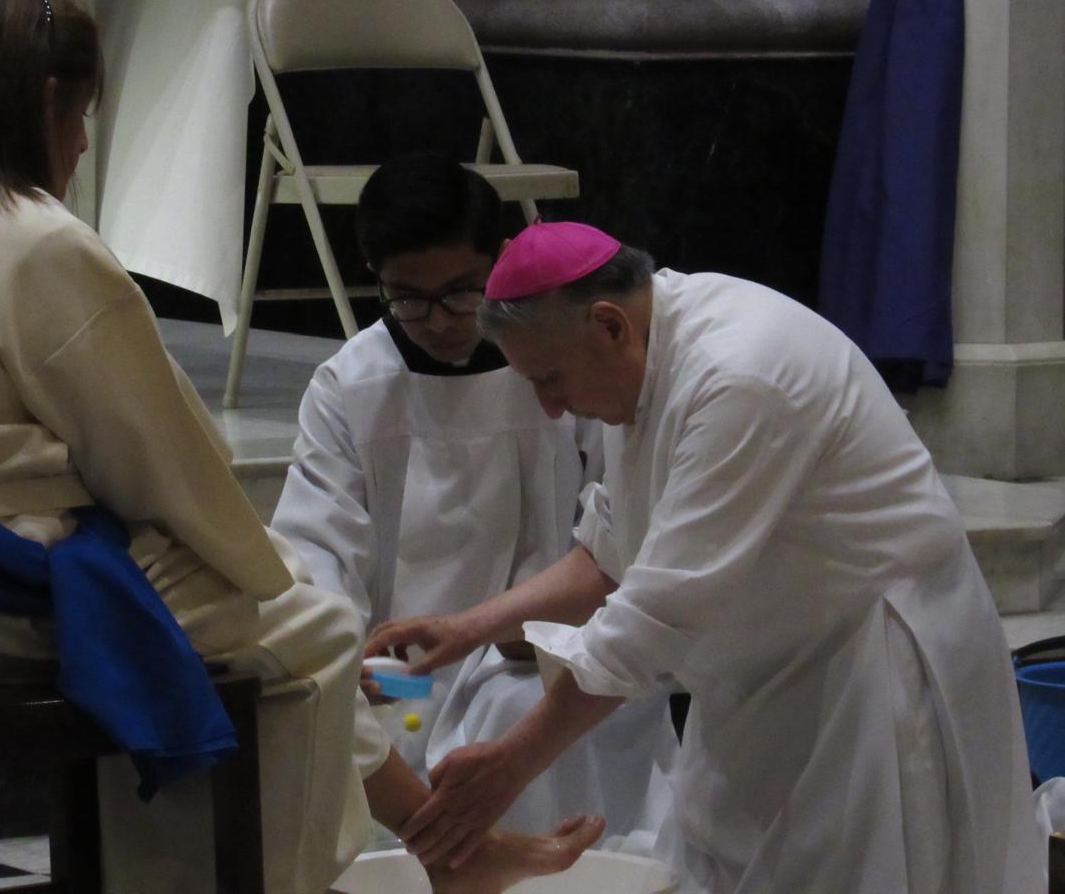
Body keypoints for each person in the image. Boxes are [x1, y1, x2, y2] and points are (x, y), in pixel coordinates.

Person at [0, 0, 603, 894]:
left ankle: (427, 846)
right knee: (309, 630)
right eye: (85, 115)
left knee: (281, 626)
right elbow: (164, 466)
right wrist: (262, 571)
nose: (86, 143)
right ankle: (417, 854)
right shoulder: (34, 241)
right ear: (49, 102)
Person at [367, 221, 1044, 894]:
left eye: (548, 378)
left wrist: (513, 764)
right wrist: (467, 629)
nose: (549, 408)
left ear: (608, 326)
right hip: (765, 672)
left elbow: (653, 612)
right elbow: (611, 555)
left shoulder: (740, 374)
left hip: (870, 666)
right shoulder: (644, 356)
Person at [270, 153, 678, 842]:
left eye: (462, 293)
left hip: (545, 650)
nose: (437, 320)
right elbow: (317, 553)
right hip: (406, 678)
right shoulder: (351, 389)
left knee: (562, 700)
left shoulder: (561, 363)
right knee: (371, 711)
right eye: (408, 298)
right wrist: (343, 661)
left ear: (499, 262)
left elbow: (617, 534)